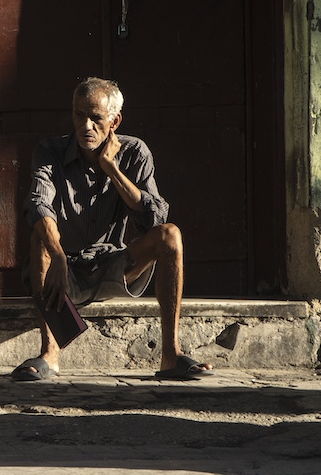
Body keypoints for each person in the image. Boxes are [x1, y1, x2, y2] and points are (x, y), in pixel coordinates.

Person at [13, 76, 212, 381]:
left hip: (113, 266)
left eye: (96, 118)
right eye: (79, 115)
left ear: (115, 120)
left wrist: (112, 169)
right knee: (40, 237)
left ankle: (172, 355)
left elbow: (154, 219)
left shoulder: (134, 153)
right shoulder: (49, 152)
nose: (86, 126)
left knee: (170, 235)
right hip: (64, 272)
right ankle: (49, 354)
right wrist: (59, 256)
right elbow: (39, 204)